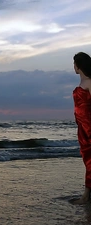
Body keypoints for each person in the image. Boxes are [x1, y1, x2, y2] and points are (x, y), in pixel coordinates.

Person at [73, 52, 91, 204]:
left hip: (90, 127)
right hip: (83, 128)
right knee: (87, 159)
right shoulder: (82, 83)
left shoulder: (90, 83)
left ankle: (86, 196)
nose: (73, 66)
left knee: (90, 159)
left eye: (74, 64)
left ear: (79, 66)